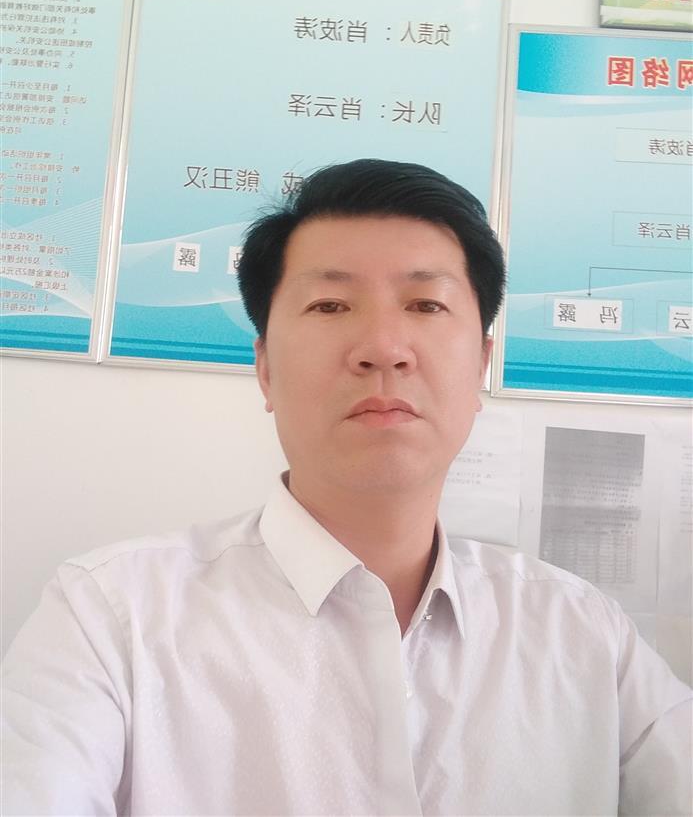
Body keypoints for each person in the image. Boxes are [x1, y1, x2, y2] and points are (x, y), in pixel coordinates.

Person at [2, 159, 691, 816]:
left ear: (482, 364)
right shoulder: (109, 618)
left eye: (426, 304)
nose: (383, 347)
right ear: (265, 369)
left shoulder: (582, 632)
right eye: (330, 305)